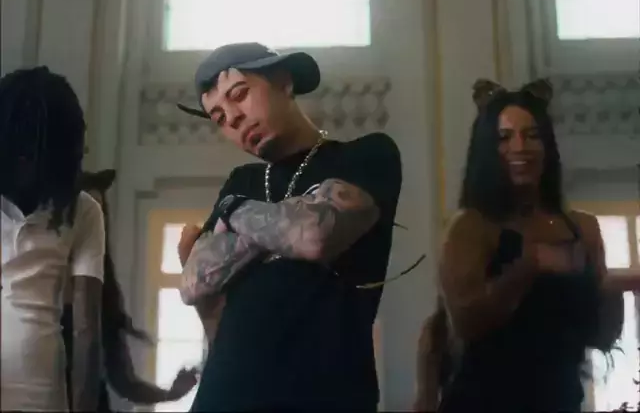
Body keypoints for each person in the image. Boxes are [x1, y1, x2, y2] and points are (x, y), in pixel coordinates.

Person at [174, 42, 403, 411]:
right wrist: (281, 225)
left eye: (240, 95)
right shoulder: (242, 181)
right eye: (218, 117)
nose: (233, 118)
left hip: (326, 397)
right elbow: (194, 282)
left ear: (284, 81)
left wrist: (235, 212)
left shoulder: (367, 154)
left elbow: (314, 236)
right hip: (222, 398)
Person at [433, 78, 625, 412]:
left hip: (562, 401)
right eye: (505, 137)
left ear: (547, 145)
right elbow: (466, 322)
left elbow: (601, 335)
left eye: (532, 135)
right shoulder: (470, 227)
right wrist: (530, 266)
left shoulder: (582, 228)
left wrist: (614, 287)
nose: (520, 147)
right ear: (487, 149)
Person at [0, 66, 104, 411]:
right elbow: (86, 331)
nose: (26, 163)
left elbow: (87, 329)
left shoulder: (81, 209)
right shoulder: (83, 210)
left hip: (43, 389)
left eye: (34, 154)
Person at [61, 169, 198, 412]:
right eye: (87, 213)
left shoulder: (104, 293)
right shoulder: (37, 274)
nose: (94, 224)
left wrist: (172, 394)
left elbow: (124, 381)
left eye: (100, 214)